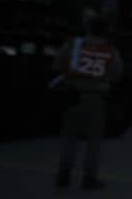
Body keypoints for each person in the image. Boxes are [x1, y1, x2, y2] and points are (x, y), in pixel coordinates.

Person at [53, 16, 123, 189]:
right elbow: (116, 74)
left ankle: (64, 173)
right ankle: (89, 177)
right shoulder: (109, 51)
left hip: (73, 94)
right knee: (94, 140)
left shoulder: (73, 46)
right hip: (96, 97)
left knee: (69, 136)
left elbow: (58, 64)